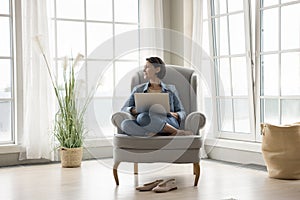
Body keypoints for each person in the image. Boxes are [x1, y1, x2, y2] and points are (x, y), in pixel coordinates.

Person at [120, 57, 193, 137]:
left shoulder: (171, 89)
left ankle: (163, 130)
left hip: (168, 120)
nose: (144, 70)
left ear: (157, 69)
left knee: (142, 117)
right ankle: (172, 132)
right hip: (145, 120)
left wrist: (173, 114)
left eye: (147, 67)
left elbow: (182, 112)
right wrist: (134, 110)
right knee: (125, 124)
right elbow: (124, 108)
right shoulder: (138, 89)